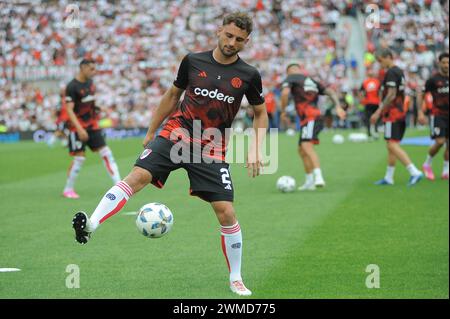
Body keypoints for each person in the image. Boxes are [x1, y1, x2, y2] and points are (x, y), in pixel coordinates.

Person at [71, 12, 268, 297]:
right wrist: (152, 130)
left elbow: (260, 113)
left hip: (211, 145)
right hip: (177, 132)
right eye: (228, 35)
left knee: (225, 211)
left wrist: (257, 148)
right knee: (137, 176)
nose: (231, 42)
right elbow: (171, 96)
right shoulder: (192, 61)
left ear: (246, 42)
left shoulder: (249, 75)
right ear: (218, 31)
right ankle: (91, 224)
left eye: (239, 39)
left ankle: (236, 278)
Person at [280, 63, 346, 191]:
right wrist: (337, 106)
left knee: (306, 146)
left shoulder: (291, 77)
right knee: (301, 150)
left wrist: (283, 111)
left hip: (310, 117)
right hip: (313, 118)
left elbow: (284, 93)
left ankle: (318, 177)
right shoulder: (311, 81)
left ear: (289, 71)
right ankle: (309, 181)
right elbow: (330, 92)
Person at [63, 59, 121, 199]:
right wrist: (79, 129)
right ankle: (68, 189)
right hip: (77, 127)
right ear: (82, 68)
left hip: (92, 125)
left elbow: (89, 102)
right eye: (91, 69)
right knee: (79, 158)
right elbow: (69, 110)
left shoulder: (90, 83)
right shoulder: (72, 86)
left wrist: (97, 109)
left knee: (106, 153)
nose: (94, 72)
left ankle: (119, 185)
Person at [371, 49, 423, 186]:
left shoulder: (391, 72)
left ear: (388, 57)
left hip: (392, 114)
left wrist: (378, 111)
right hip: (400, 113)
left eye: (380, 60)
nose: (379, 64)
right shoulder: (399, 71)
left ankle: (414, 171)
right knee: (391, 145)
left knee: (392, 145)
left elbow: (391, 94)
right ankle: (389, 177)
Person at [418, 52, 449, 180]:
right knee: (440, 141)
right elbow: (421, 94)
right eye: (444, 62)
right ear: (439, 63)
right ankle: (427, 163)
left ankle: (446, 170)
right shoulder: (433, 80)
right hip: (438, 115)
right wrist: (420, 112)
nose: (446, 65)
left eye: (448, 62)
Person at [359, 68, 381, 139]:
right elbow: (380, 92)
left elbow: (361, 92)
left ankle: (369, 133)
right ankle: (376, 131)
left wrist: (362, 100)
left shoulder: (365, 82)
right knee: (376, 117)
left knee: (368, 118)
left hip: (368, 102)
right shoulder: (377, 82)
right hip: (376, 102)